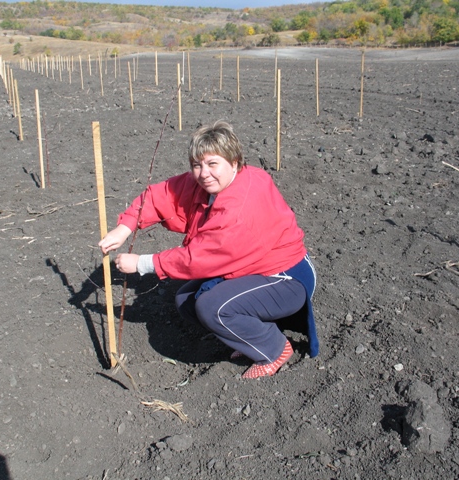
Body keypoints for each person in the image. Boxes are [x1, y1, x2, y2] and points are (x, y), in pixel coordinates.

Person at [99, 121, 318, 379]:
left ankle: (273, 349)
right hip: (250, 270)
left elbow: (201, 257)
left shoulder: (240, 206)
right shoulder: (206, 184)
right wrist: (125, 227)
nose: (204, 173)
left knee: (212, 308)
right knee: (186, 301)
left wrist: (143, 264)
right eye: (197, 165)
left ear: (234, 162)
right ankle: (252, 336)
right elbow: (161, 196)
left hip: (285, 277)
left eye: (213, 164)